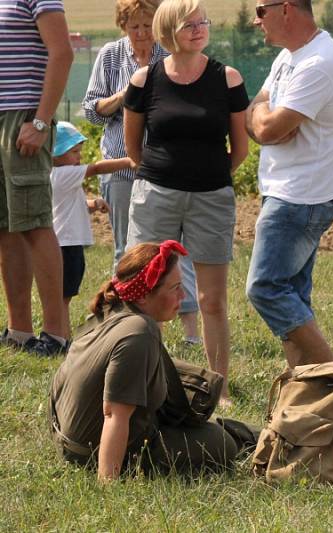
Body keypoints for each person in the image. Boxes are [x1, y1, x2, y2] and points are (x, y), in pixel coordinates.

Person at [123, 0, 249, 401]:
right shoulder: (145, 80)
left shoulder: (226, 79)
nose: (198, 29)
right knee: (144, 291)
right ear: (168, 31)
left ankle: (218, 388)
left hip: (212, 197)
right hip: (155, 194)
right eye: (188, 24)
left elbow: (240, 148)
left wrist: (207, 177)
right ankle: (146, 383)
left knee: (212, 299)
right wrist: (163, 177)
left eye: (203, 22)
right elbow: (133, 147)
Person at [49, 241, 256, 481]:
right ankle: (261, 439)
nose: (184, 295)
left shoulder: (113, 308)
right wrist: (108, 484)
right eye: (175, 288)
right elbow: (114, 415)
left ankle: (257, 435)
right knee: (222, 442)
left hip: (67, 439)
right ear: (145, 295)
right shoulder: (139, 331)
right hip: (94, 452)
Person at [245, 0, 333, 368]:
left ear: (287, 9)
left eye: (261, 10)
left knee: (266, 288)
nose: (255, 20)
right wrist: (265, 121)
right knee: (292, 295)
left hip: (300, 196)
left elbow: (263, 127)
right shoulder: (290, 58)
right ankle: (305, 392)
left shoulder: (318, 63)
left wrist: (265, 122)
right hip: (293, 191)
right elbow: (259, 111)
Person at [81, 0, 201, 346]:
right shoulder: (110, 55)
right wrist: (127, 94)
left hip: (165, 167)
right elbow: (93, 111)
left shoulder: (170, 54)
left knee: (175, 250)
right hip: (121, 167)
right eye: (133, 26)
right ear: (123, 26)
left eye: (148, 25)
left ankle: (191, 332)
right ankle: (124, 328)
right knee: (126, 249)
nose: (141, 33)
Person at [0, 0, 73, 355]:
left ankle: (56, 335)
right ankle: (19, 331)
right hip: (3, 121)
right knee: (6, 227)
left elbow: (62, 53)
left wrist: (41, 122)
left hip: (23, 120)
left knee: (34, 224)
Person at [50, 121, 132, 335]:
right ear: (55, 155)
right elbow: (96, 168)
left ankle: (60, 335)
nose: (79, 157)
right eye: (74, 151)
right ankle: (60, 337)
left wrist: (93, 204)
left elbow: (73, 204)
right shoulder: (62, 174)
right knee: (62, 297)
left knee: (63, 296)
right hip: (65, 244)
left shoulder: (59, 176)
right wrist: (131, 160)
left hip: (66, 243)